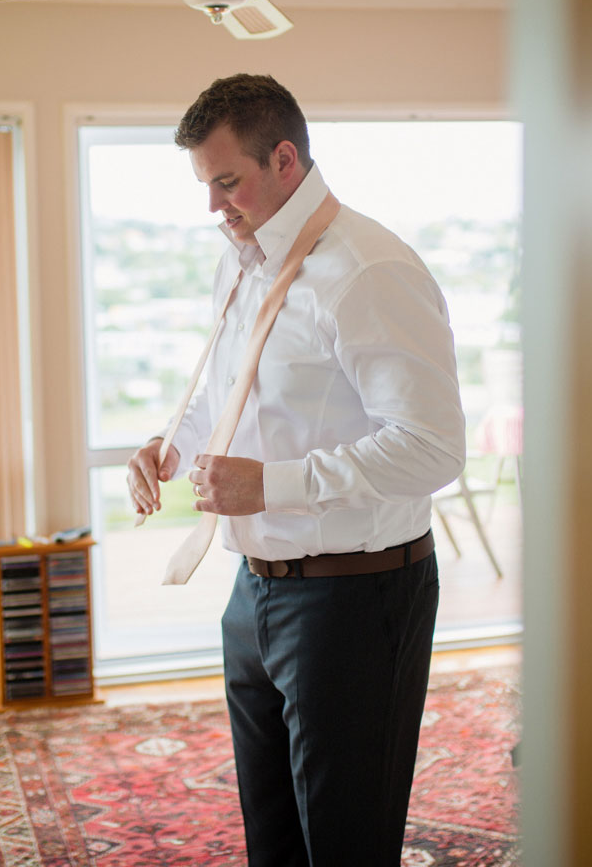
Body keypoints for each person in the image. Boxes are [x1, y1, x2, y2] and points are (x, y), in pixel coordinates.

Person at [125, 73, 466, 865]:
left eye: (226, 181)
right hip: (253, 593)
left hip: (355, 598)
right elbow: (233, 399)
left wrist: (269, 486)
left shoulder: (369, 270)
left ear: (285, 159)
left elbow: (433, 446)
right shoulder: (242, 262)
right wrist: (169, 446)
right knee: (272, 841)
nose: (213, 205)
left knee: (345, 844)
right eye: (206, 185)